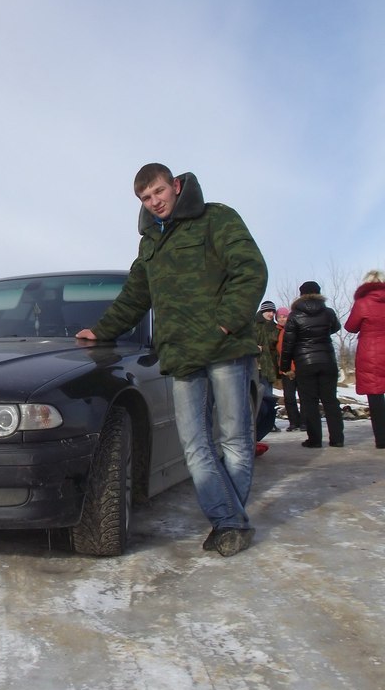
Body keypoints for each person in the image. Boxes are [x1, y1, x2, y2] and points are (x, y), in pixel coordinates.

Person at [76, 162, 267, 557]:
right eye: (146, 198)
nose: (155, 202)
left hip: (226, 350)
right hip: (180, 355)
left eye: (159, 192)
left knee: (234, 439)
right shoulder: (150, 241)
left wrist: (226, 324)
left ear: (176, 186)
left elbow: (250, 270)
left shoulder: (216, 218)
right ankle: (231, 519)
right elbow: (135, 294)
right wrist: (102, 330)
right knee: (195, 445)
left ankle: (227, 523)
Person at [279, 280, 344, 448]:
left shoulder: (295, 315)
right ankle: (337, 439)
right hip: (327, 360)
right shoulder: (328, 312)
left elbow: (288, 343)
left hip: (305, 362)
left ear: (301, 295)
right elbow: (336, 327)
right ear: (318, 293)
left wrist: (285, 366)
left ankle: (314, 440)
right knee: (330, 401)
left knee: (309, 402)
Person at [344, 270, 385, 449]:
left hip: (371, 353)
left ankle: (382, 439)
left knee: (375, 396)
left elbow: (350, 327)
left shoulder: (362, 303)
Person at [253, 300, 279, 443]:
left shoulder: (275, 328)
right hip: (254, 367)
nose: (270, 314)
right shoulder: (253, 325)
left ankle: (267, 424)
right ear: (262, 312)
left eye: (272, 311)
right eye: (268, 311)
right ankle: (255, 426)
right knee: (257, 398)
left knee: (268, 396)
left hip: (268, 368)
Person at [276, 306, 305, 431]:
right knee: (289, 397)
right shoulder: (276, 331)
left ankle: (304, 421)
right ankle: (294, 422)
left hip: (298, 367)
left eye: (284, 316)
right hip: (285, 369)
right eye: (279, 317)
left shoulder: (295, 328)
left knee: (304, 396)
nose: (282, 319)